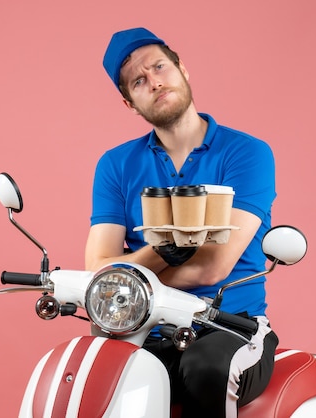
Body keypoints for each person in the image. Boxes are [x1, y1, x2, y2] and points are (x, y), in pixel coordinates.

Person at [85, 27, 278, 418]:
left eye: (159, 66)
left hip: (228, 327)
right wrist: (162, 251)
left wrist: (130, 274)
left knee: (205, 369)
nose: (154, 82)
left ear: (182, 69)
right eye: (139, 81)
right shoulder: (116, 165)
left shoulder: (247, 154)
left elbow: (212, 266)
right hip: (145, 327)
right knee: (89, 370)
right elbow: (97, 269)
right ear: (129, 103)